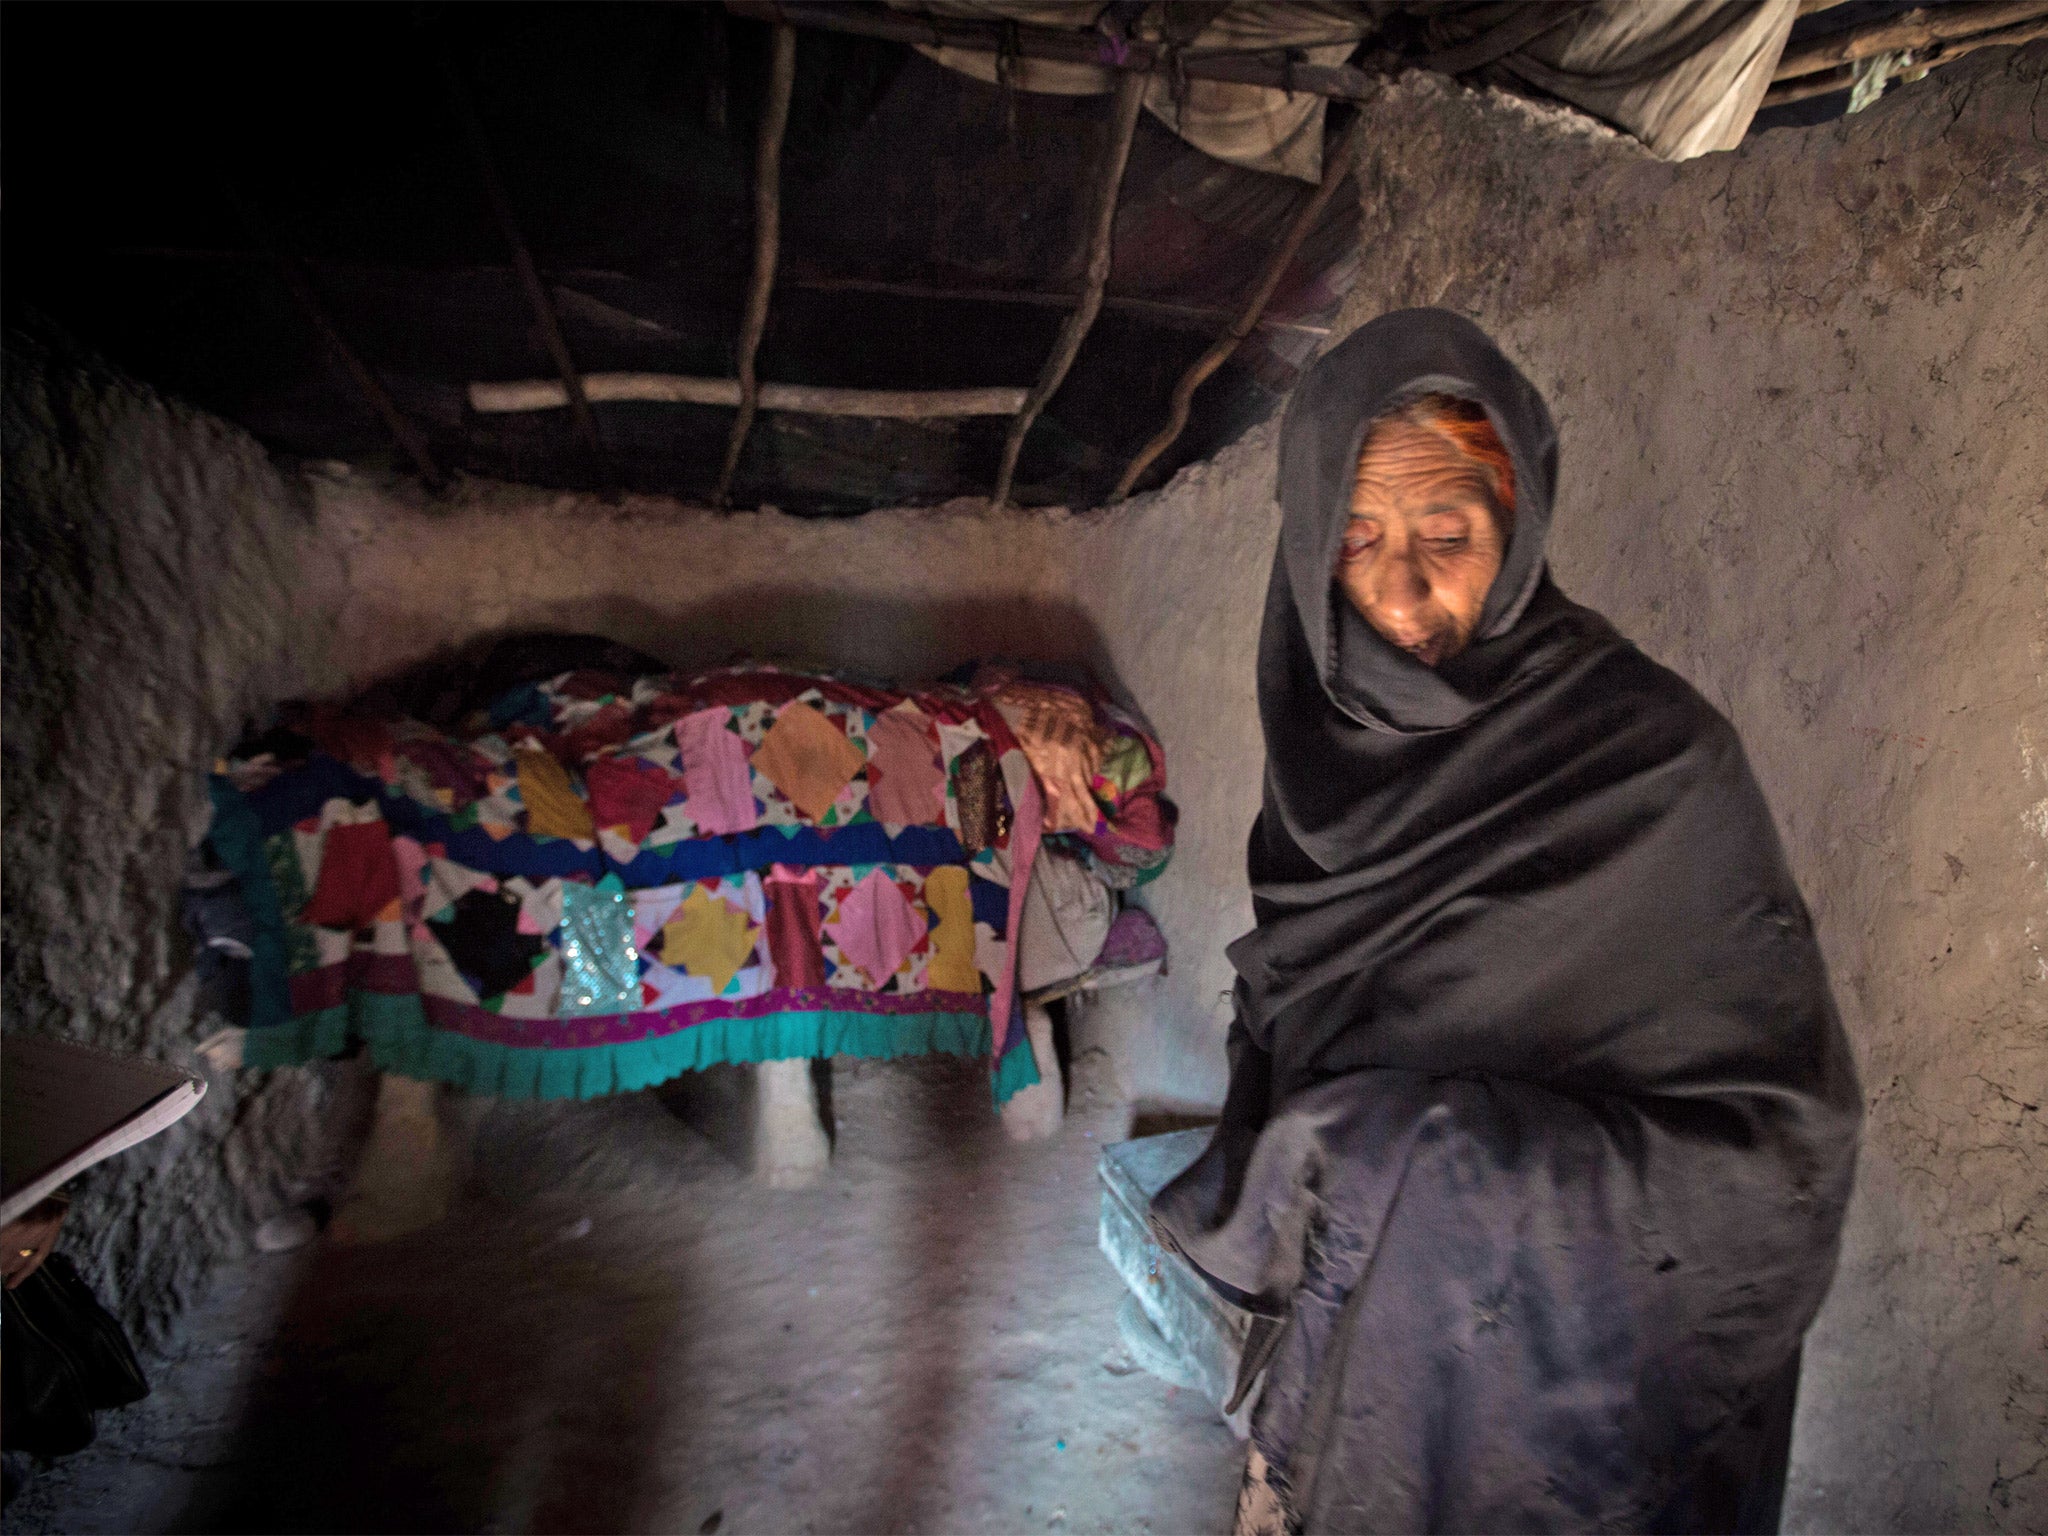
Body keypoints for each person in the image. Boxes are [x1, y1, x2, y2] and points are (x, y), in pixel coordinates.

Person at [1150, 309, 1862, 1534]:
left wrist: (1427, 1161)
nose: (1402, 589)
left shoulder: (1653, 765)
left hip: (1574, 1420)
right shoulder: (1327, 755)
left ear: (1517, 530)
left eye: (1449, 534)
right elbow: (1314, 1008)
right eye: (1355, 539)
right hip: (1352, 1356)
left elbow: (1782, 1150)